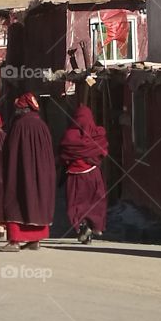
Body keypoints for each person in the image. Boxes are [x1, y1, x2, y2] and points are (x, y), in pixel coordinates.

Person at [2, 92, 55, 250]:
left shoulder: (19, 125)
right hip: (42, 173)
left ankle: (15, 240)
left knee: (16, 201)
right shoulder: (42, 125)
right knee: (37, 200)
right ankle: (35, 239)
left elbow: (10, 151)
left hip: (20, 172)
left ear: (22, 109)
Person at [59, 104, 108, 244]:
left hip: (75, 176)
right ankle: (93, 227)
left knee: (76, 203)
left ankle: (82, 226)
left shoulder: (69, 135)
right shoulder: (97, 133)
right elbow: (103, 152)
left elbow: (63, 155)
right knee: (94, 201)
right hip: (93, 175)